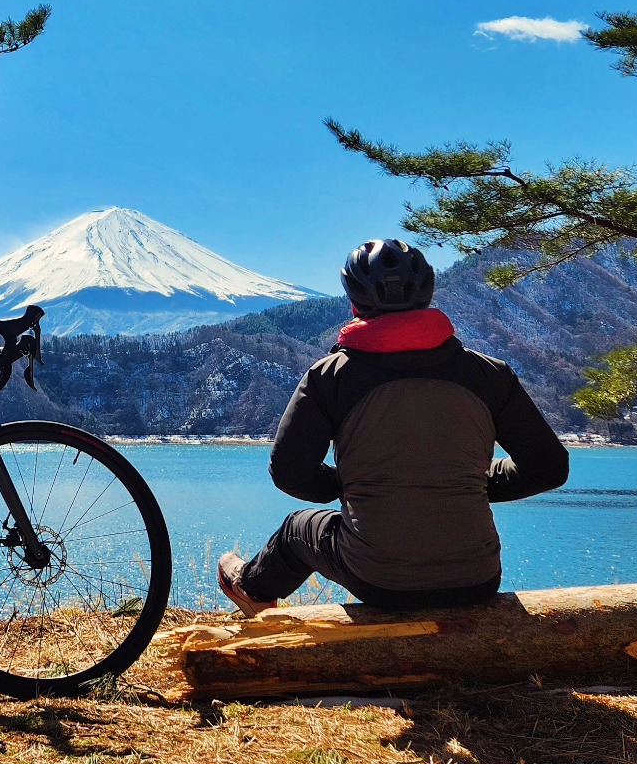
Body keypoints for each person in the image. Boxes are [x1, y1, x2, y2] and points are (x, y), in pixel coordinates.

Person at [218, 238, 569, 615]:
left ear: (354, 303)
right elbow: (548, 467)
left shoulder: (330, 377)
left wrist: (352, 484)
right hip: (477, 578)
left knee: (297, 529)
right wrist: (468, 481)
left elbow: (290, 472)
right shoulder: (489, 373)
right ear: (427, 296)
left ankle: (252, 591)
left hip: (380, 581)